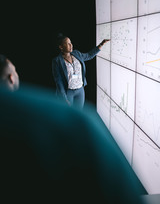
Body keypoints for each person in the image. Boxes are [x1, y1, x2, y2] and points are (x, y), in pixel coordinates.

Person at [0, 83, 147, 203]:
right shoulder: (70, 125)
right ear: (11, 78)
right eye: (67, 44)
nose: (69, 46)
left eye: (70, 44)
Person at [52, 33, 110, 108]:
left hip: (80, 91)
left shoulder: (76, 53)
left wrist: (101, 44)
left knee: (78, 113)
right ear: (61, 47)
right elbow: (58, 81)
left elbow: (89, 55)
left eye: (71, 43)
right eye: (68, 43)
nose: (71, 45)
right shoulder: (57, 61)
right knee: (68, 114)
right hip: (68, 92)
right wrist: (64, 98)